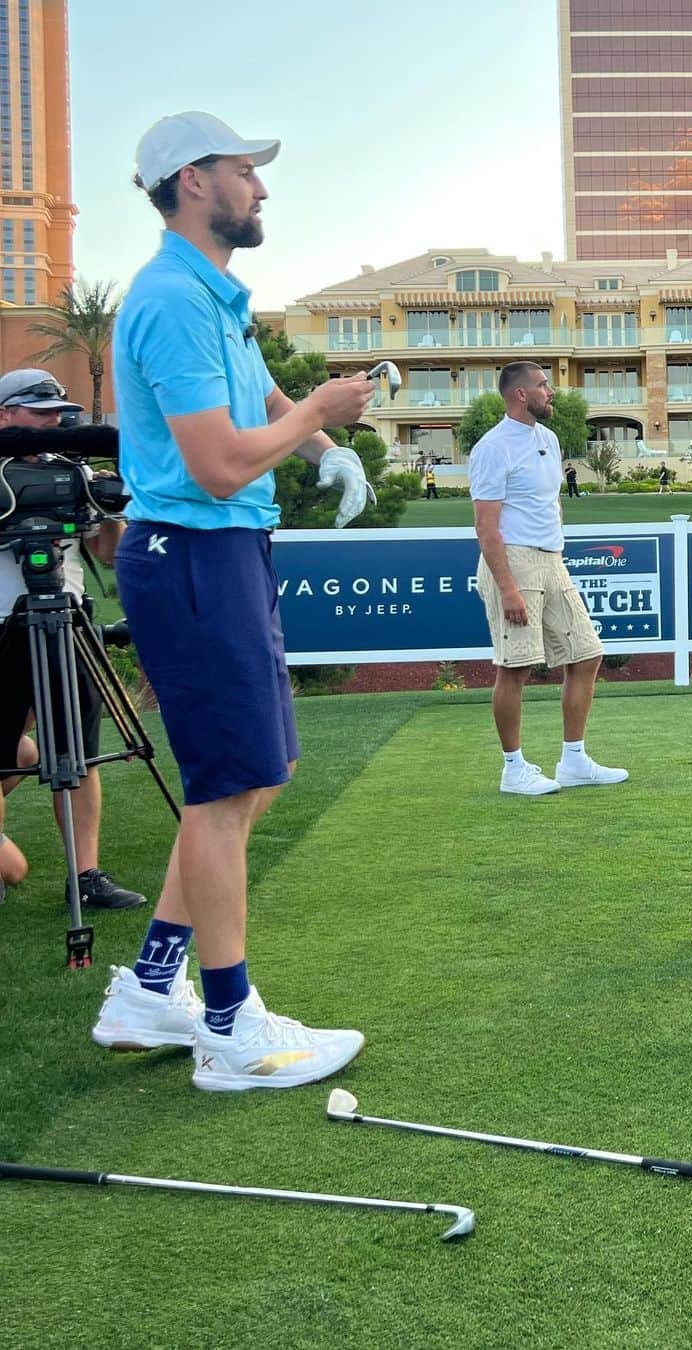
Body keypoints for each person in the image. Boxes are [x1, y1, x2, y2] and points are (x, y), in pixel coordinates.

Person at [90, 111, 378, 1091]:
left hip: (221, 554)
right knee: (223, 791)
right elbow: (216, 464)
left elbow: (256, 404)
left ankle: (152, 989)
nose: (261, 187)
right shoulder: (171, 297)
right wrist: (317, 413)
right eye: (245, 171)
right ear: (194, 180)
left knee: (254, 777)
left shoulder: (213, 297)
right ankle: (228, 1030)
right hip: (192, 551)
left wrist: (327, 450)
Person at [0, 369, 146, 911]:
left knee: (79, 755)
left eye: (57, 413)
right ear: (5, 416)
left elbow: (109, 552)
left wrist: (111, 507)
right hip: (2, 624)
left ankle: (85, 874)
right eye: (37, 412)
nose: (52, 422)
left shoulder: (72, 472)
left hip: (67, 618)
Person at [469, 361, 628, 796]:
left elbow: (550, 502)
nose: (550, 391)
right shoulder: (493, 447)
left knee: (586, 654)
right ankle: (513, 769)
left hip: (552, 561)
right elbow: (486, 526)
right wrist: (507, 587)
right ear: (520, 394)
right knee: (516, 667)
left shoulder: (549, 439)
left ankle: (573, 761)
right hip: (513, 563)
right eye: (542, 385)